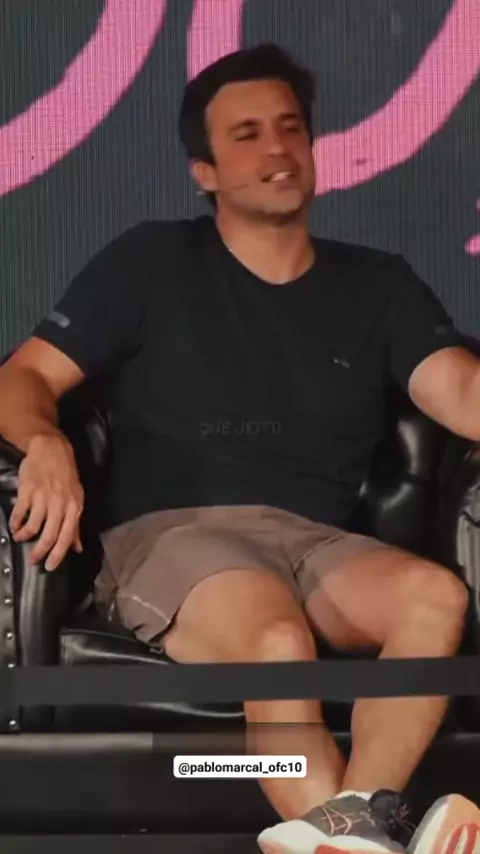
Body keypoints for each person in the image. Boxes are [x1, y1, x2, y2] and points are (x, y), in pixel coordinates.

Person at [0, 42, 479, 854]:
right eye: (247, 134)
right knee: (276, 641)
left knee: (433, 599)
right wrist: (43, 440)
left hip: (317, 543)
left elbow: (462, 392)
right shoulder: (151, 261)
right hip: (172, 537)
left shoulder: (380, 285)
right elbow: (22, 377)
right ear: (206, 171)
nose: (277, 149)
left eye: (290, 128)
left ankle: (351, 830)